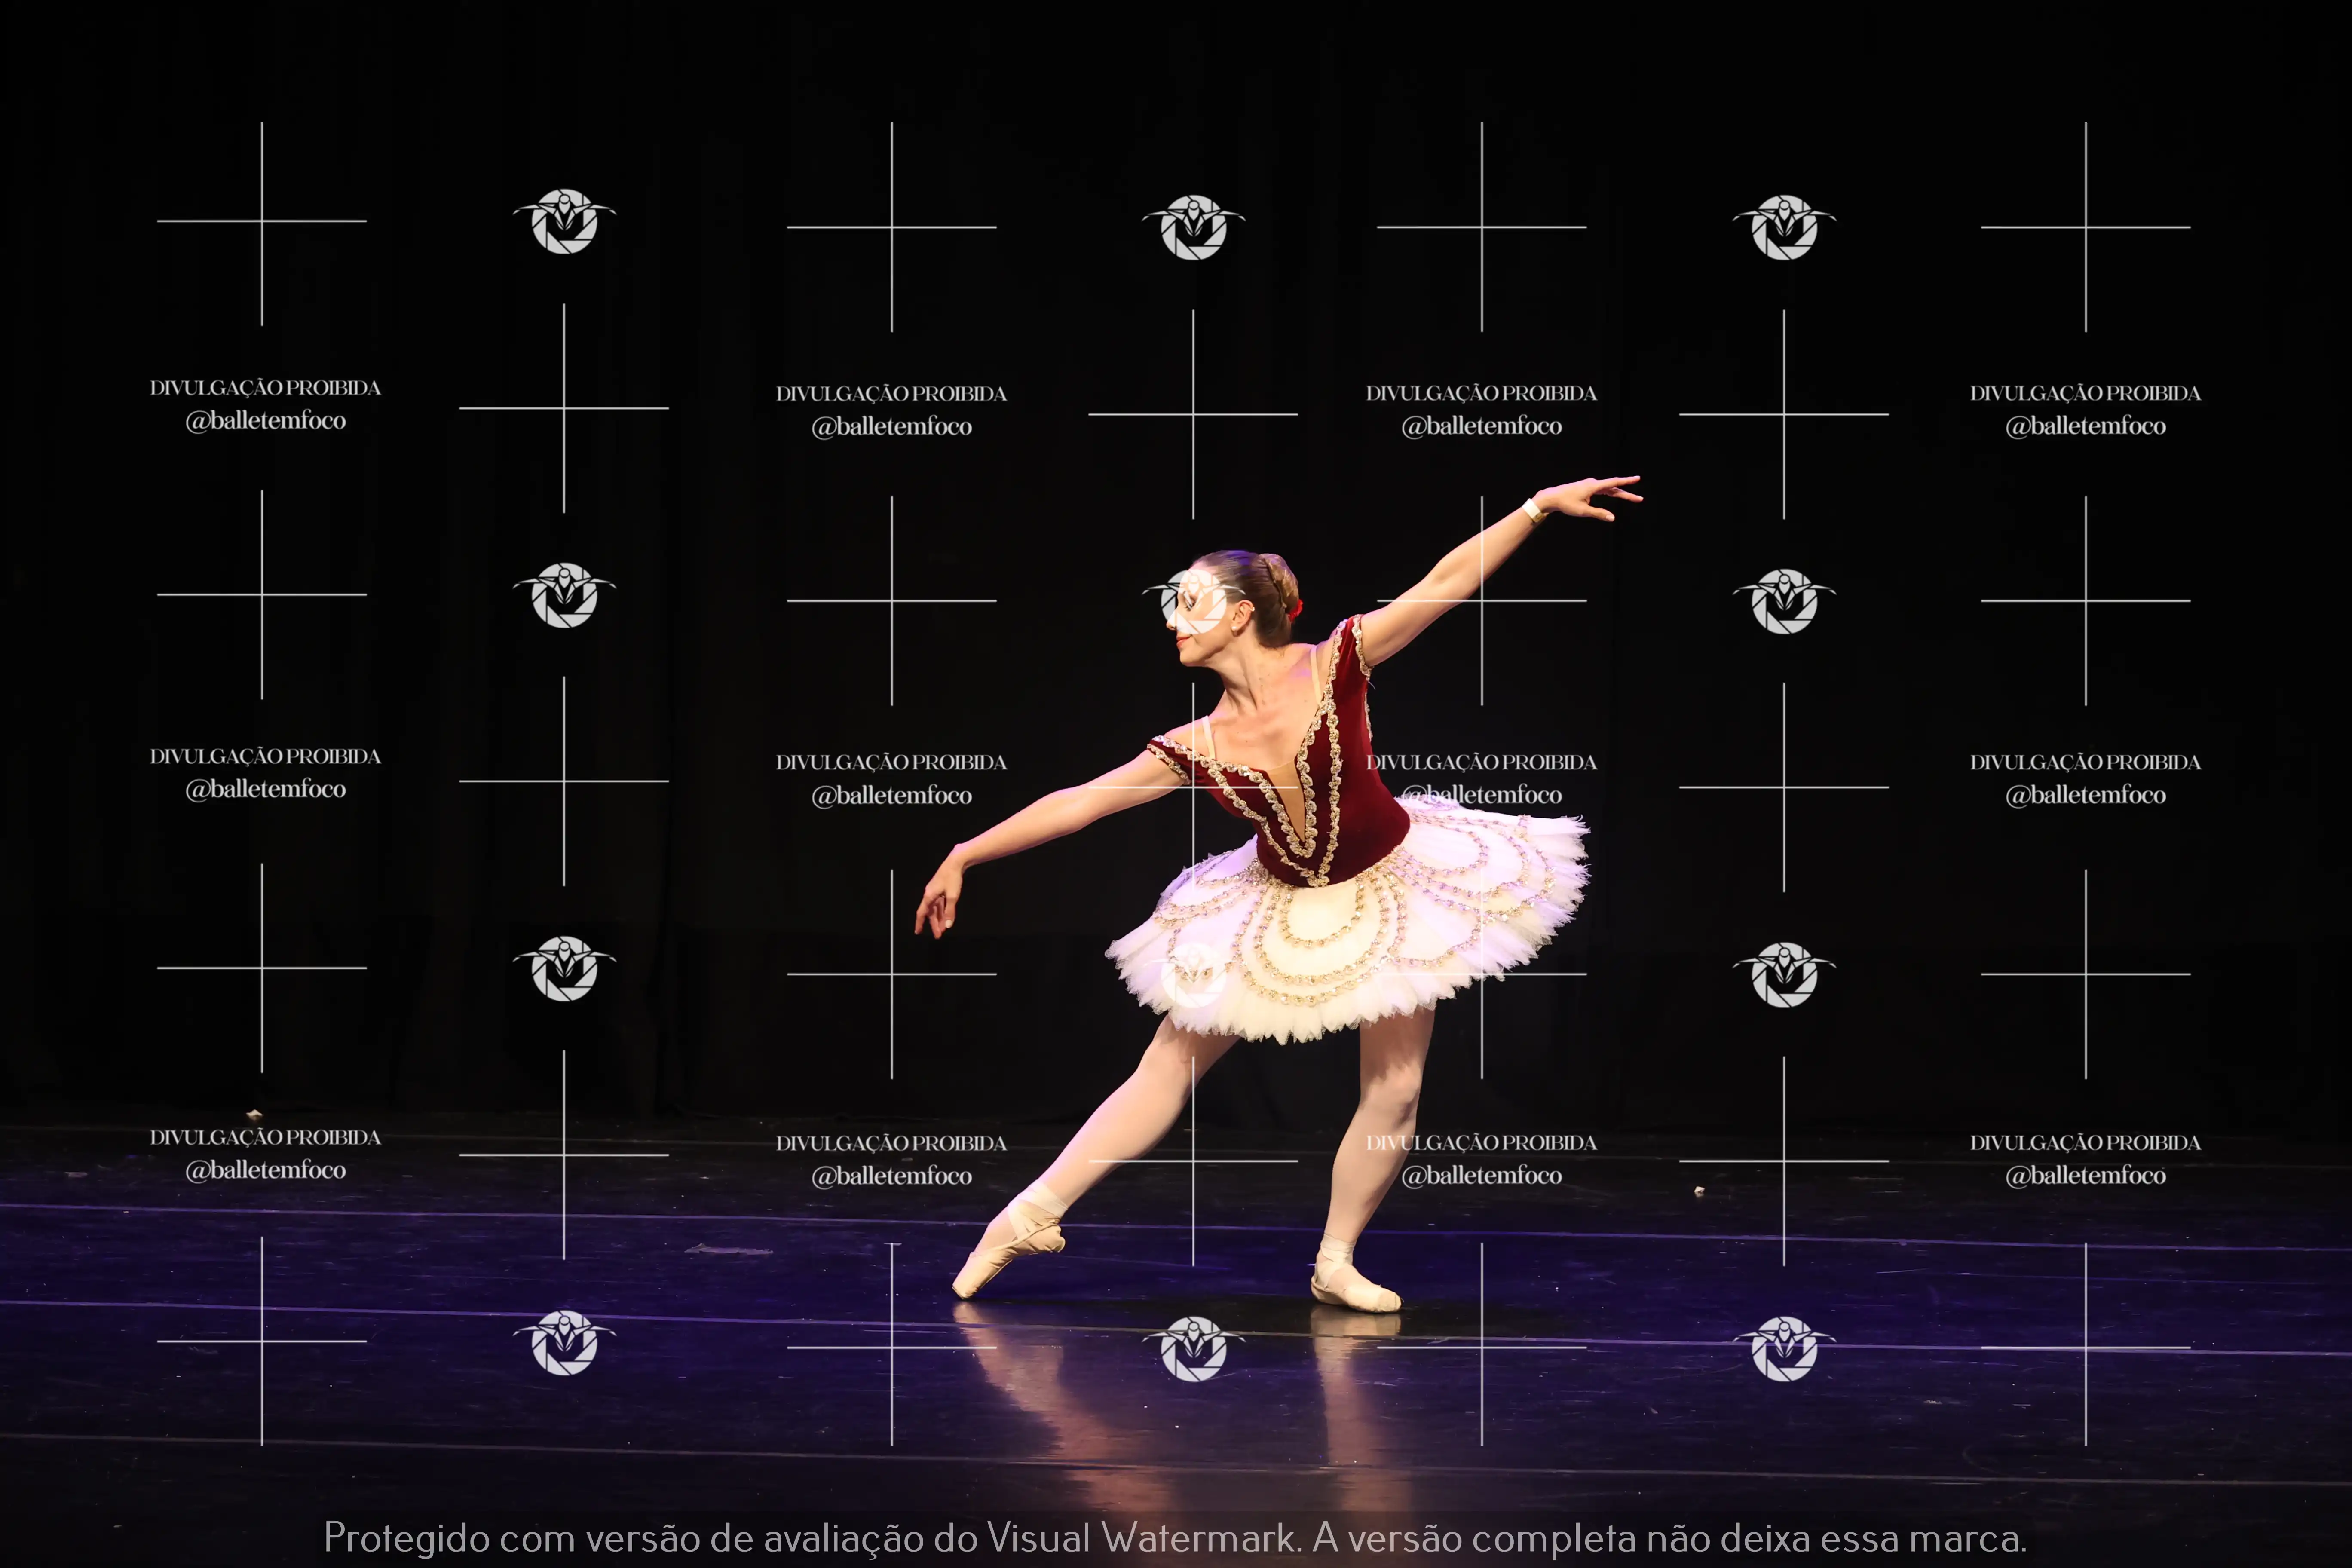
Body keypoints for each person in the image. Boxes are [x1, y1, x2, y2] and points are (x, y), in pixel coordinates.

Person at [914, 477, 1642, 1311]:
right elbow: (1082, 801)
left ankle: (1335, 1261)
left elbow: (1445, 583)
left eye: (1189, 602)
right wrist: (966, 852)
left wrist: (1536, 508)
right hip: (1272, 898)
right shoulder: (1196, 743)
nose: (1173, 619)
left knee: (1397, 1086)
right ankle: (1025, 1216)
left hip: (1394, 887)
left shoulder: (1338, 661)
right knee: (1166, 1067)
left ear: (1237, 615)